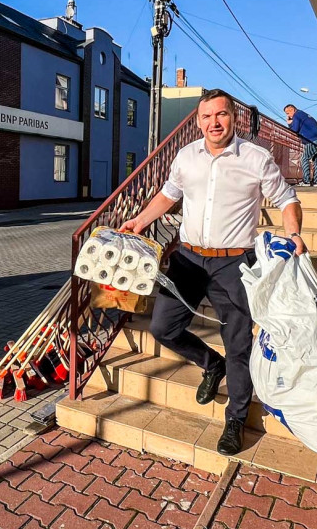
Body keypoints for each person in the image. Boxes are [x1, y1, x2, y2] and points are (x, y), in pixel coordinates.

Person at [119, 89, 306, 455]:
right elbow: (169, 194)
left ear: (232, 118)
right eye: (206, 117)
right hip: (188, 258)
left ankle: (235, 419)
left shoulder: (256, 157)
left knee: (238, 344)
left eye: (220, 115)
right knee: (162, 328)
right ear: (199, 120)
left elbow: (286, 199)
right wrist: (140, 221)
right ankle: (210, 363)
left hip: (234, 263)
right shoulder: (187, 156)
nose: (214, 123)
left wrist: (294, 232)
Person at [284, 104, 317, 186]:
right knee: (316, 160)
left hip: (313, 139)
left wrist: (289, 123)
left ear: (292, 110)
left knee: (304, 158)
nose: (288, 115)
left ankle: (306, 181)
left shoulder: (297, 116)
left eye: (288, 113)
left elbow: (295, 129)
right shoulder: (302, 114)